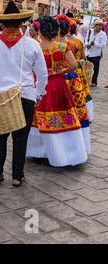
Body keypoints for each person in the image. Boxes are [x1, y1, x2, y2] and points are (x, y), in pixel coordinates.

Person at [0, 1, 48, 187]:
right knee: (20, 136)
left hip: (0, 96)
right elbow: (42, 74)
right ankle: (17, 175)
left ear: (2, 24)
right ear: (21, 23)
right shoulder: (32, 45)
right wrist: (39, 93)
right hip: (24, 94)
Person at [27, 16, 87, 168]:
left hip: (39, 85)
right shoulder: (61, 47)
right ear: (56, 31)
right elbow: (74, 65)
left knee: (37, 118)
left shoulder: (35, 47)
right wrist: (61, 71)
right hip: (58, 85)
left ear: (40, 31)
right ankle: (64, 153)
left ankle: (39, 152)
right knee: (62, 115)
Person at [62, 16, 92, 151]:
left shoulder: (54, 43)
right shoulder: (77, 42)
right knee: (77, 103)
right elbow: (82, 57)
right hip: (75, 75)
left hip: (60, 76)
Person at [85, 19, 107, 87]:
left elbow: (103, 45)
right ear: (95, 26)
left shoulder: (103, 34)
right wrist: (87, 44)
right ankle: (87, 80)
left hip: (96, 54)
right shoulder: (89, 32)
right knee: (87, 68)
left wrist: (95, 43)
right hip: (88, 52)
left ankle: (94, 81)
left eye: (101, 25)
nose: (101, 27)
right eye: (99, 25)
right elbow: (86, 40)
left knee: (95, 68)